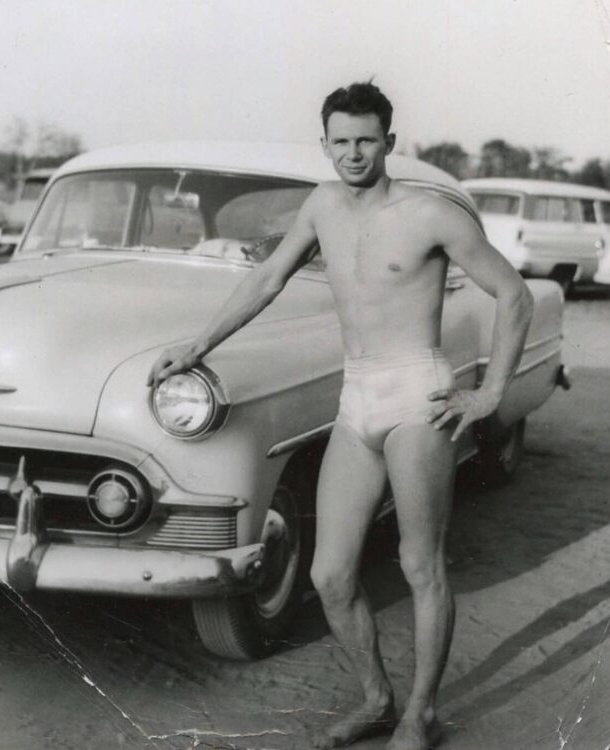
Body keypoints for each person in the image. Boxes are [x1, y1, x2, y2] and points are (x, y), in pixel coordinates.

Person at [148, 82, 533, 750]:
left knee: (420, 564)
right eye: (341, 141)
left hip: (418, 396)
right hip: (357, 399)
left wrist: (491, 391)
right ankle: (378, 700)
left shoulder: (431, 213)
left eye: (366, 140)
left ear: (390, 142)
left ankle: (421, 715)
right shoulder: (322, 204)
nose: (354, 153)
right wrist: (197, 346)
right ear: (325, 145)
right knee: (329, 575)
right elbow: (266, 280)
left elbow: (514, 295)